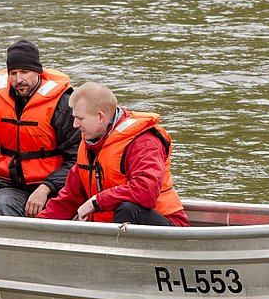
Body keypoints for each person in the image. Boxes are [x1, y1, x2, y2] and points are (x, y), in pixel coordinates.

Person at [37, 82, 189, 226]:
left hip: (165, 225)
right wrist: (35, 227)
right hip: (111, 229)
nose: (75, 125)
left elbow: (146, 191)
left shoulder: (143, 141)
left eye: (80, 118)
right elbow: (69, 198)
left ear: (100, 117)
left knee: (127, 209)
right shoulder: (89, 143)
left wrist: (96, 201)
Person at [0, 39, 79, 217]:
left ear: (37, 72)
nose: (18, 79)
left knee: (54, 215)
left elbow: (76, 158)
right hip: (11, 183)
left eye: (24, 72)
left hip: (55, 185)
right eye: (13, 73)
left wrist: (46, 188)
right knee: (2, 204)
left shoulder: (63, 103)